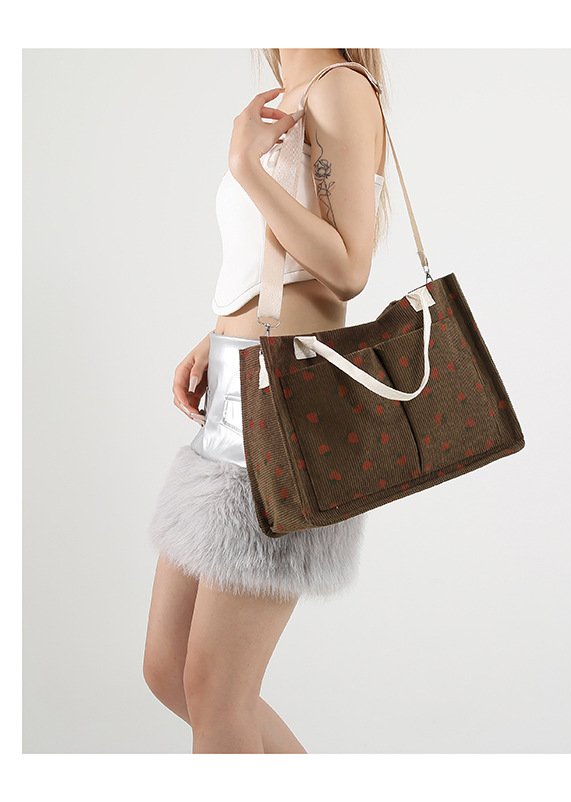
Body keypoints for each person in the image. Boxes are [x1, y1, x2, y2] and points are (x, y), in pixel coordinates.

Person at [142, 48, 389, 754]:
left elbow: (348, 269)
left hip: (287, 410)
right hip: (234, 389)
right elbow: (271, 259)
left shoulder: (341, 88)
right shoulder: (288, 95)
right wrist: (216, 334)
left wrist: (246, 166)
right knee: (169, 671)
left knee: (216, 692)